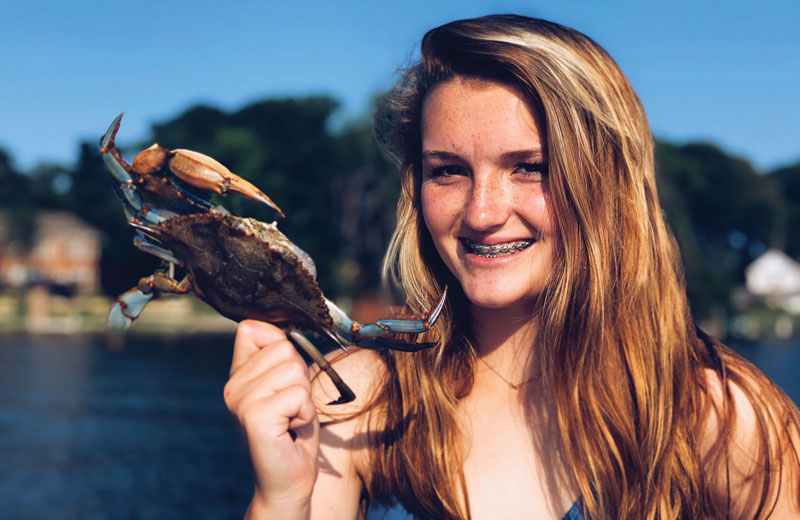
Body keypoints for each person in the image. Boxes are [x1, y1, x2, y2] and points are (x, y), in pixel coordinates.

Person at [223, 14, 800, 519]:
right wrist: (281, 502)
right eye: (447, 170)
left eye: (529, 167)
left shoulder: (724, 420)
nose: (481, 212)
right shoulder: (355, 404)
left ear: (608, 183)